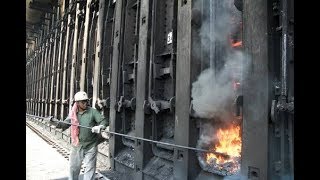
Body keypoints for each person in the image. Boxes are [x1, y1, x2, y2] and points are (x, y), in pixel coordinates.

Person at [51, 91, 109, 180]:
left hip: (91, 146)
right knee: (73, 169)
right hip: (77, 146)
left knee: (89, 171)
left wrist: (100, 126)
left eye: (86, 101)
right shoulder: (73, 114)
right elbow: (64, 124)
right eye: (83, 102)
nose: (85, 103)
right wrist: (53, 122)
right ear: (77, 103)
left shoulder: (92, 112)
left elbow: (103, 121)